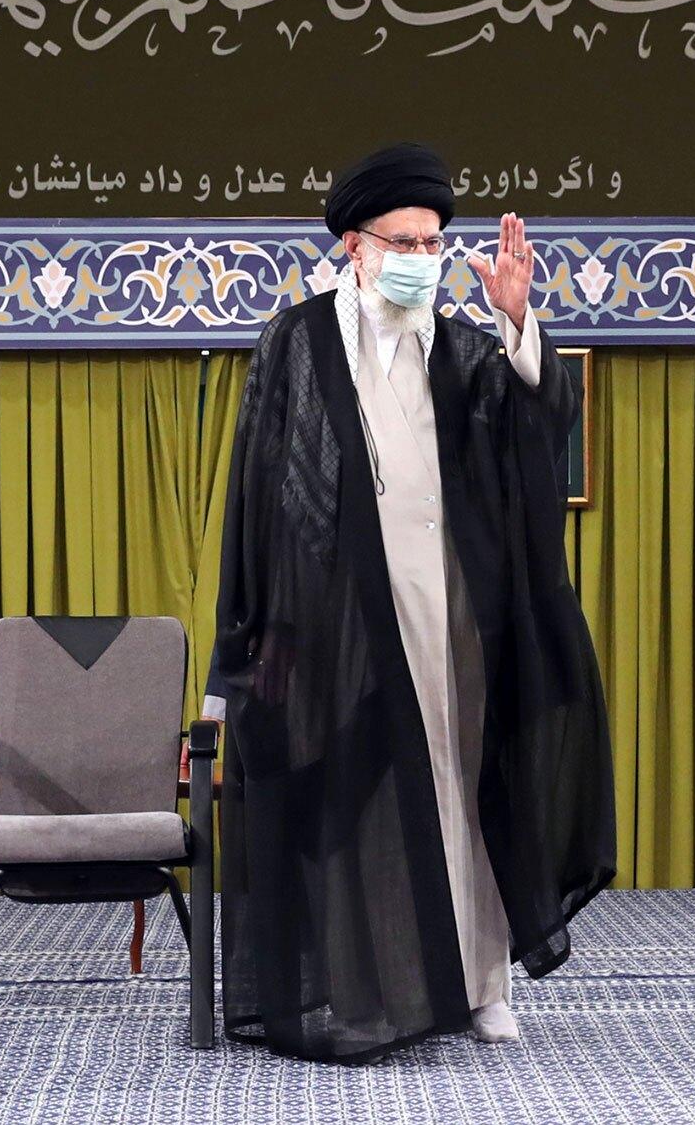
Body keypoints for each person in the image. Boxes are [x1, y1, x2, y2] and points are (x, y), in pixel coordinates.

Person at [199, 142, 615, 1062]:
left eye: (434, 243)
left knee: (468, 781)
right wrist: (250, 642)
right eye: (406, 242)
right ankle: (376, 984)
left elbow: (540, 428)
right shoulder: (299, 343)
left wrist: (519, 323)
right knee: (365, 792)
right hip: (346, 623)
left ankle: (483, 985)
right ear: (356, 245)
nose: (424, 259)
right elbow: (261, 496)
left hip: (458, 613)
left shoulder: (465, 351)